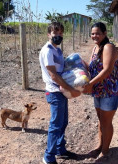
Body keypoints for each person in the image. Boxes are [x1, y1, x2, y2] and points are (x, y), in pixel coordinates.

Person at [83, 22, 118, 159]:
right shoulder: (95, 48)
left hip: (111, 90)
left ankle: (105, 152)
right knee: (101, 121)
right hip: (99, 89)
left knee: (106, 122)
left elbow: (106, 71)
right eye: (93, 33)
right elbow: (91, 67)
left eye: (98, 33)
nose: (94, 36)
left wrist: (90, 84)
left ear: (105, 34)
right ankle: (100, 146)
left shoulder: (109, 47)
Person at [39, 22, 80, 164]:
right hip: (54, 92)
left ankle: (60, 149)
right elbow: (54, 76)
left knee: (63, 122)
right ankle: (48, 157)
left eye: (61, 33)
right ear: (49, 34)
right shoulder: (48, 51)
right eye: (55, 33)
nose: (59, 35)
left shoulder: (58, 50)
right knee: (56, 125)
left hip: (60, 91)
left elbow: (63, 70)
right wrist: (71, 88)